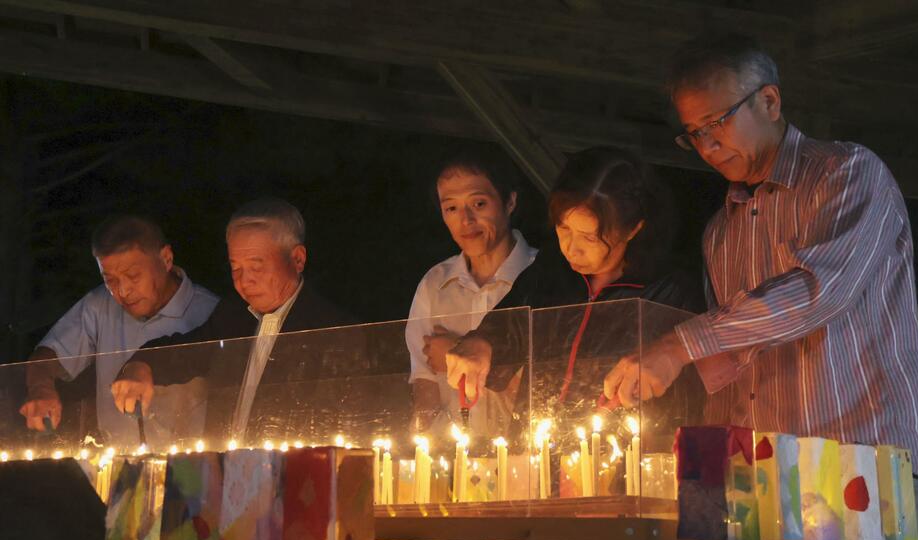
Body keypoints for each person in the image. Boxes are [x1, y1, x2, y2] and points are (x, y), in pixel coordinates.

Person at [600, 33, 918, 540]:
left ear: (770, 101)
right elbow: (736, 359)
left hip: (868, 472)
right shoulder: (722, 231)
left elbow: (816, 294)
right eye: (694, 134)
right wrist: (670, 392)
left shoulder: (847, 176)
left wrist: (678, 346)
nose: (708, 146)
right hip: (772, 487)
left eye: (718, 123)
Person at [445, 147, 705, 445]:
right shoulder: (553, 268)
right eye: (563, 228)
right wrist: (480, 343)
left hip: (623, 467)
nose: (571, 248)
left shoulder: (669, 291)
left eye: (590, 237)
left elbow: (683, 402)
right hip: (536, 455)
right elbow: (511, 325)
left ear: (633, 229)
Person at [110, 198, 356, 445]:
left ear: (297, 259)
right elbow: (187, 352)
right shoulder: (232, 316)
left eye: (256, 267)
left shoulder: (333, 333)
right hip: (226, 475)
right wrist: (142, 364)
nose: (244, 281)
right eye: (235, 268)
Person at [18, 215, 218, 449]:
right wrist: (41, 389)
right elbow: (47, 356)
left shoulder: (209, 312)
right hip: (117, 466)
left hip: (190, 466)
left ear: (166, 258)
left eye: (133, 276)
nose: (122, 291)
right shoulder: (98, 306)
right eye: (110, 280)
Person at [405, 148, 538, 439]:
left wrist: (457, 352)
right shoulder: (434, 284)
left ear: (510, 201)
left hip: (525, 457)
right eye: (451, 208)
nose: (466, 220)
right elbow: (423, 381)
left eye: (478, 203)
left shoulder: (540, 279)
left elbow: (552, 383)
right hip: (453, 460)